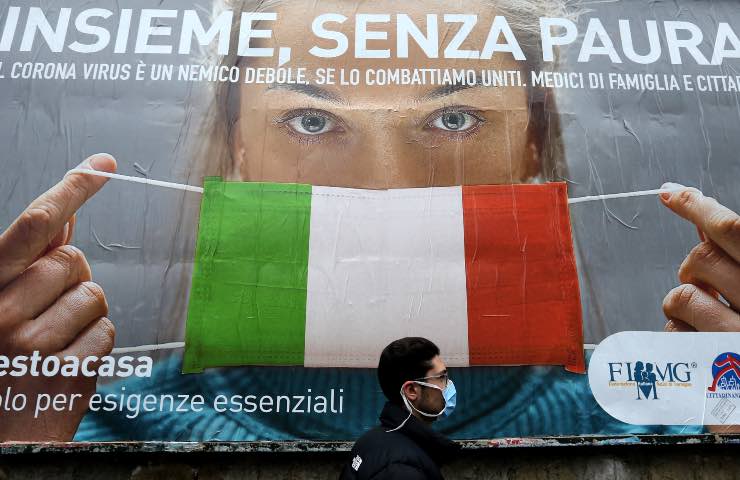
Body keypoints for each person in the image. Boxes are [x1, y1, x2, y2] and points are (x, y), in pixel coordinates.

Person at [0, 0, 738, 441]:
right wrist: (22, 447)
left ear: (533, 147)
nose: (386, 187)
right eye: (311, 120)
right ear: (238, 148)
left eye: (454, 118)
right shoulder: (77, 427)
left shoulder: (678, 427)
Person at [339, 337, 460, 480]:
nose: (449, 385)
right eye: (441, 377)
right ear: (411, 391)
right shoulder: (401, 469)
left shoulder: (370, 441)